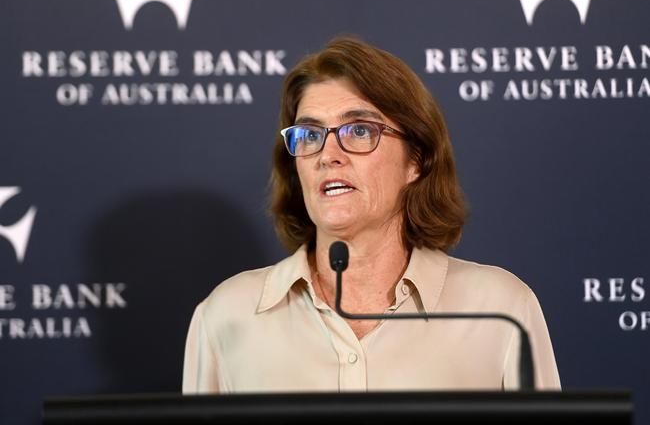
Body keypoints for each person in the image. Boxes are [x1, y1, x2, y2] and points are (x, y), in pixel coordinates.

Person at [183, 37, 560, 393]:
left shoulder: (500, 309)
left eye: (359, 130)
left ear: (416, 159)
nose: (328, 154)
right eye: (310, 135)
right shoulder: (227, 315)